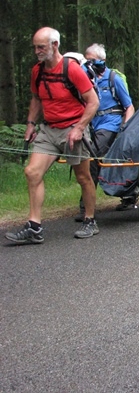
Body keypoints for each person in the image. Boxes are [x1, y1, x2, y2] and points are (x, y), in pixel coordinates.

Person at [6, 27, 100, 244]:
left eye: (41, 47)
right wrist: (31, 124)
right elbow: (37, 99)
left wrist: (78, 128)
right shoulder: (37, 71)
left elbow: (93, 102)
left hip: (74, 128)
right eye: (35, 47)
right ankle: (34, 226)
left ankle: (90, 220)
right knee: (32, 172)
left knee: (83, 177)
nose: (37, 51)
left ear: (55, 45)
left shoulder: (72, 70)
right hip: (49, 129)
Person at [75, 43, 135, 220]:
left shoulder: (113, 78)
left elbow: (129, 106)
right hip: (92, 125)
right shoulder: (85, 78)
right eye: (86, 60)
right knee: (84, 160)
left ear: (102, 60)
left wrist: (126, 128)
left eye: (92, 60)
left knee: (92, 159)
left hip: (110, 124)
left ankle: (85, 207)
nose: (89, 63)